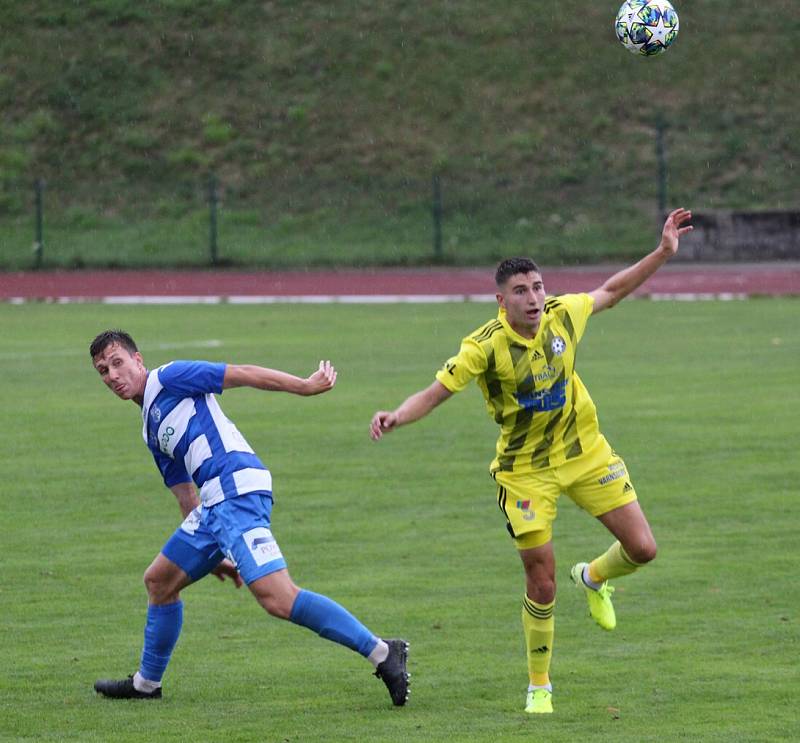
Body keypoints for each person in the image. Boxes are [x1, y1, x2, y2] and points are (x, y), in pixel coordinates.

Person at [370, 208, 693, 715]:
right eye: (521, 291)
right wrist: (397, 416)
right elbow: (437, 392)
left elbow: (610, 291)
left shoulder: (563, 315)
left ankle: (593, 578)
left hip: (585, 454)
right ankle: (539, 684)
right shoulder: (483, 347)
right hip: (525, 473)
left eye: (538, 287)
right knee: (540, 578)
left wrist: (662, 252)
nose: (534, 298)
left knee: (644, 548)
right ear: (501, 301)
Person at [90, 331, 409, 706]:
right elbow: (185, 494)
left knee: (278, 598)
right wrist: (211, 555)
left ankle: (383, 652)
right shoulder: (149, 427)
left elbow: (241, 373)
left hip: (236, 491)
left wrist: (304, 386)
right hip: (212, 506)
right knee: (159, 581)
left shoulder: (170, 377)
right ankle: (147, 684)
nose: (112, 375)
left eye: (117, 363)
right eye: (102, 370)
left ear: (138, 360)